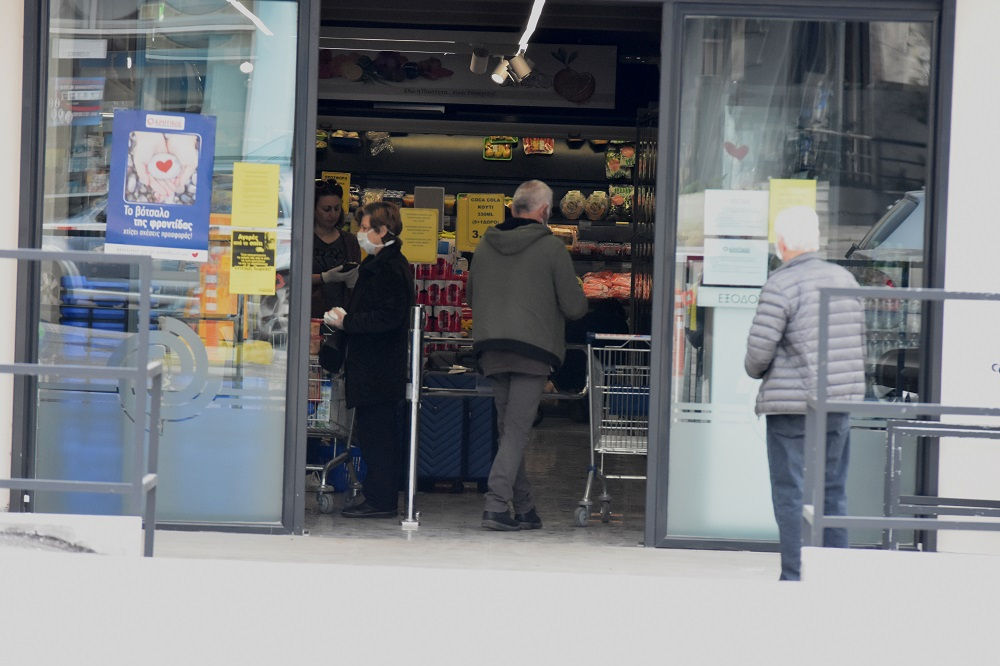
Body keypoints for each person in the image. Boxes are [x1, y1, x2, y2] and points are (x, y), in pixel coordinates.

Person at [744, 206, 866, 581]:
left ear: (781, 243)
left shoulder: (781, 284)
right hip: (837, 404)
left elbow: (757, 356)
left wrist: (755, 370)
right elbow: (859, 341)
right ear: (816, 239)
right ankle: (833, 572)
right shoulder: (845, 280)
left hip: (790, 407)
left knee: (790, 491)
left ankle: (795, 574)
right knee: (833, 490)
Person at [468, 180, 588, 531]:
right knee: (517, 433)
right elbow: (574, 305)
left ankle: (524, 508)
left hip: (491, 348)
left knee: (510, 431)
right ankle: (494, 505)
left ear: (512, 207)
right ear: (543, 212)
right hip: (532, 351)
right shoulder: (552, 248)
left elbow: (471, 295)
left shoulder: (484, 245)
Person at [323, 201, 414, 519]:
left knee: (379, 436)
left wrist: (346, 322)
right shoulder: (382, 263)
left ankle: (381, 499)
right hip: (375, 365)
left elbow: (387, 317)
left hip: (378, 364)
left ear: (382, 231)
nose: (359, 234)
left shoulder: (388, 267)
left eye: (364, 229)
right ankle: (378, 495)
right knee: (375, 434)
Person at [312, 180, 361, 319]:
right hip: (307, 316)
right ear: (313, 209)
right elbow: (288, 278)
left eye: (337, 209)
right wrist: (324, 277)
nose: (332, 214)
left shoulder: (350, 241)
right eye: (326, 209)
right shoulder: (302, 240)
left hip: (341, 317)